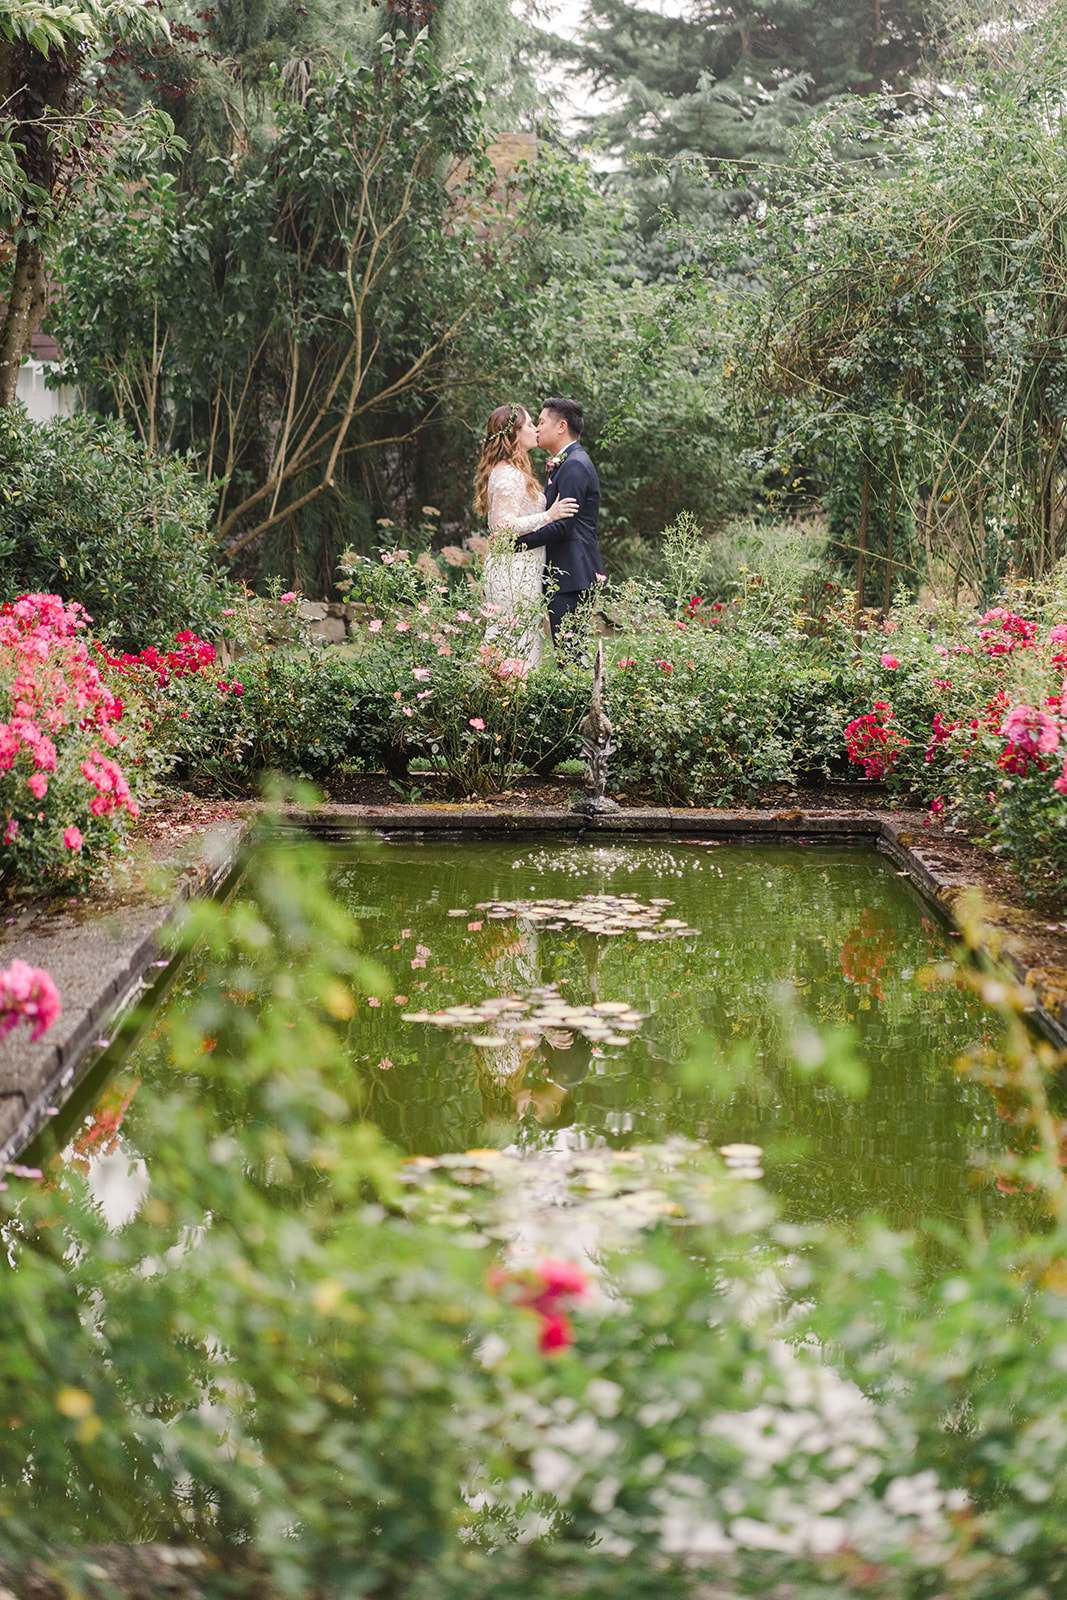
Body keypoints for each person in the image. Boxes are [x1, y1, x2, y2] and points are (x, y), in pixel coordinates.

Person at [473, 403, 578, 669]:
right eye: (530, 424)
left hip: (521, 568)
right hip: (513, 571)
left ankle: (507, 701)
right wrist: (548, 515)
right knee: (514, 641)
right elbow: (502, 526)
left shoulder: (511, 470)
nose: (536, 429)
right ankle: (505, 700)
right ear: (515, 434)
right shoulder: (510, 475)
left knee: (519, 639)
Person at [513, 397, 605, 661]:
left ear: (561, 426)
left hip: (572, 573)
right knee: (570, 656)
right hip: (566, 574)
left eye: (541, 422)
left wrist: (518, 543)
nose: (537, 428)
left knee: (571, 657)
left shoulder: (575, 465)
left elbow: (563, 526)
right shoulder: (567, 462)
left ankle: (588, 702)